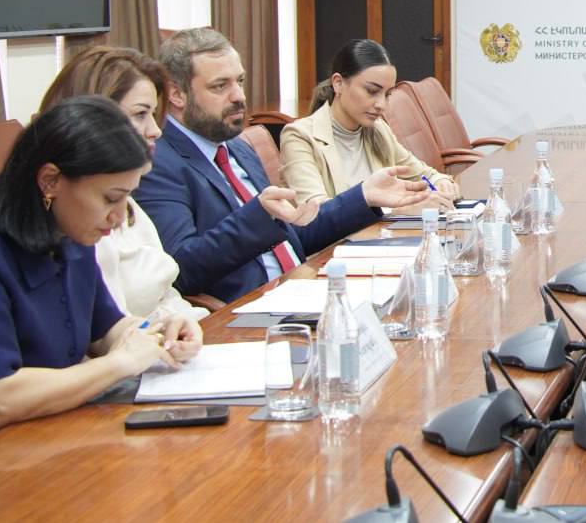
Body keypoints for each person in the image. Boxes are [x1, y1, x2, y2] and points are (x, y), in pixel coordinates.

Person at [0, 97, 203, 464]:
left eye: (127, 198)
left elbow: (105, 330)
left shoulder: (68, 226)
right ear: (50, 181)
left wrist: (157, 332)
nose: (118, 218)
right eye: (110, 199)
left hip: (54, 435)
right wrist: (119, 364)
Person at [135, 28, 432, 304]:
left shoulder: (237, 147)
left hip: (302, 288)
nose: (239, 96)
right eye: (220, 86)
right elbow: (180, 270)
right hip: (248, 312)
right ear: (176, 94)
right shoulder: (158, 163)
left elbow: (295, 234)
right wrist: (259, 216)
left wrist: (364, 196)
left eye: (239, 82)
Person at [38, 46, 206, 321]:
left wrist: (185, 324)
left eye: (153, 114)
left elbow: (166, 296)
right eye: (140, 114)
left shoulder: (128, 200)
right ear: (90, 116)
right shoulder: (73, 217)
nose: (156, 130)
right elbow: (108, 331)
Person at [280, 39, 458, 210]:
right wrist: (404, 209)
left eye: (387, 95)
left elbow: (424, 174)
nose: (381, 105)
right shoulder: (299, 136)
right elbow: (317, 214)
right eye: (372, 91)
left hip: (383, 230)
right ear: (338, 83)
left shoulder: (378, 129)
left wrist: (441, 182)